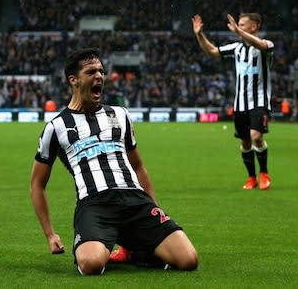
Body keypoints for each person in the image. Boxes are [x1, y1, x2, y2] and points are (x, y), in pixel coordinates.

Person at [30, 48, 198, 275]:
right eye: (91, 72)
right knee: (91, 265)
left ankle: (133, 250)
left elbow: (138, 166)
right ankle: (114, 243)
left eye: (101, 71)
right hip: (94, 204)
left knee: (188, 260)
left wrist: (153, 207)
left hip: (135, 200)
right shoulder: (56, 127)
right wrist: (50, 234)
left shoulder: (120, 115)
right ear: (74, 80)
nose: (99, 76)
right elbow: (37, 184)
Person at [192, 13, 272, 190]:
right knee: (245, 142)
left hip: (259, 102)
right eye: (239, 25)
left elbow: (259, 44)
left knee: (256, 137)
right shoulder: (236, 48)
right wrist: (199, 34)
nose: (239, 27)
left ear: (254, 26)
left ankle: (264, 173)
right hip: (240, 104)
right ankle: (252, 177)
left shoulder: (266, 45)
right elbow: (212, 51)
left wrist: (238, 31)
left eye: (243, 25)